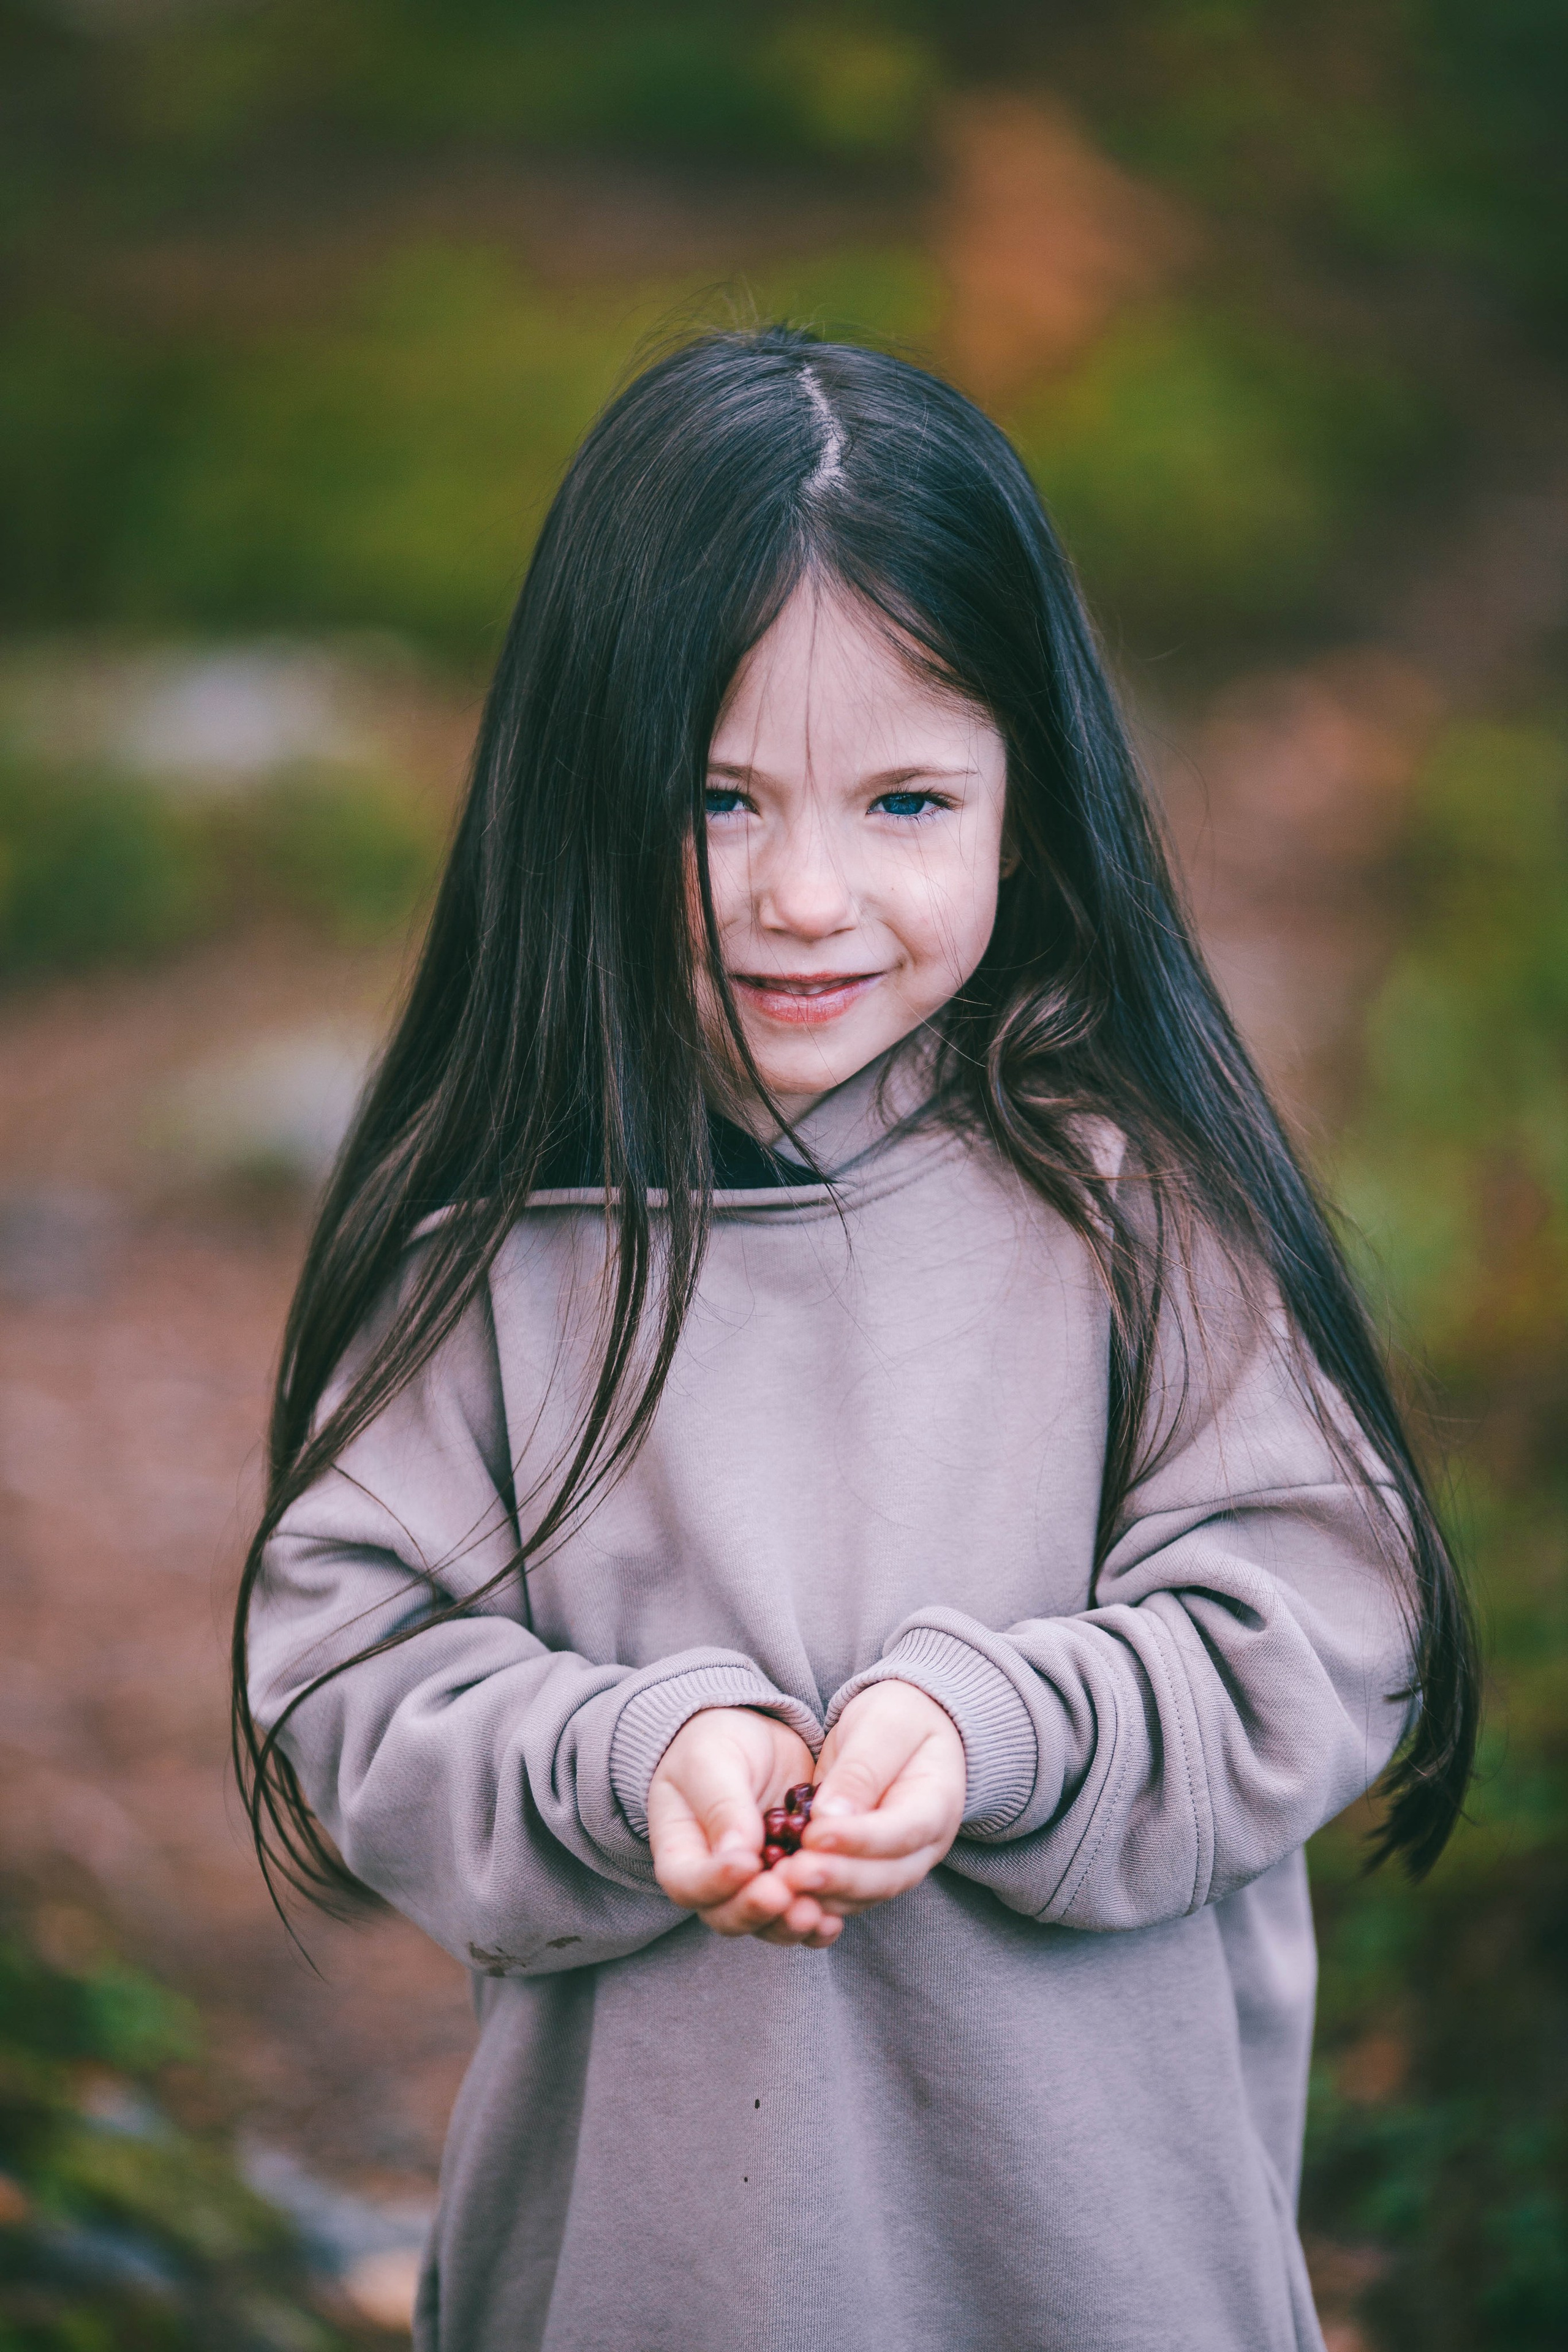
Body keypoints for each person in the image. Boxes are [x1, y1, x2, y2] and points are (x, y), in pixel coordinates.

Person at [233, 326, 1477, 2352]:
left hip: (1091, 2276)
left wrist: (1006, 1732)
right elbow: (349, 1669)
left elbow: (1320, 1623)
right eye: (716, 799)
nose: (806, 895)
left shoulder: (1135, 1211)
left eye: (906, 798)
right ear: (574, 797)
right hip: (647, 2285)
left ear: (1028, 800)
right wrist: (628, 1759)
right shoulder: (494, 1255)